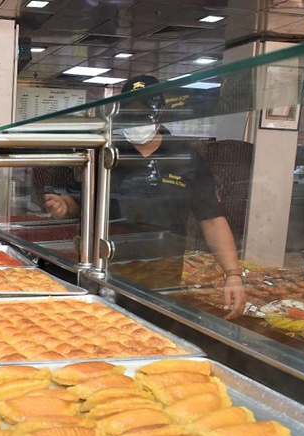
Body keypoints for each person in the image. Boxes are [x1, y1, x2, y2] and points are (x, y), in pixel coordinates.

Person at [44, 75, 247, 319]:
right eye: (130, 112)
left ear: (161, 114)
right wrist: (63, 205)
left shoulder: (184, 157)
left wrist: (233, 274)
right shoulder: (105, 152)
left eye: (144, 112)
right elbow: (77, 200)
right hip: (105, 272)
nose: (137, 119)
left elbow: (212, 219)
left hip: (162, 277)